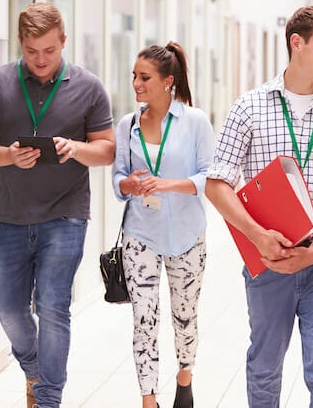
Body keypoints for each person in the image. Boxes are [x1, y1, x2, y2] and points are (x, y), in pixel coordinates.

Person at [205, 5, 313, 408]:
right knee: (265, 363)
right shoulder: (249, 107)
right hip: (268, 260)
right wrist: (258, 237)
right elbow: (216, 185)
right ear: (297, 43)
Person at [0, 2, 115, 408]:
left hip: (66, 217)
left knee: (53, 307)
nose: (41, 60)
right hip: (10, 217)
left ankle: (47, 398)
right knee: (8, 310)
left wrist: (76, 147)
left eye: (49, 50)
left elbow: (106, 151)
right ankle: (33, 370)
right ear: (21, 43)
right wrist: (8, 156)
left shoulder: (89, 87)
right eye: (32, 51)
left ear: (63, 42)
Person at [111, 42, 214, 408]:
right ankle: (148, 399)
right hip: (141, 235)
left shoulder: (195, 121)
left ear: (167, 81)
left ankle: (184, 378)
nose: (136, 84)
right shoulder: (127, 125)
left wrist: (167, 184)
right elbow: (118, 179)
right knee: (144, 319)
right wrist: (130, 184)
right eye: (134, 77)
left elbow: (210, 178)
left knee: (184, 316)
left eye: (145, 77)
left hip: (187, 235)